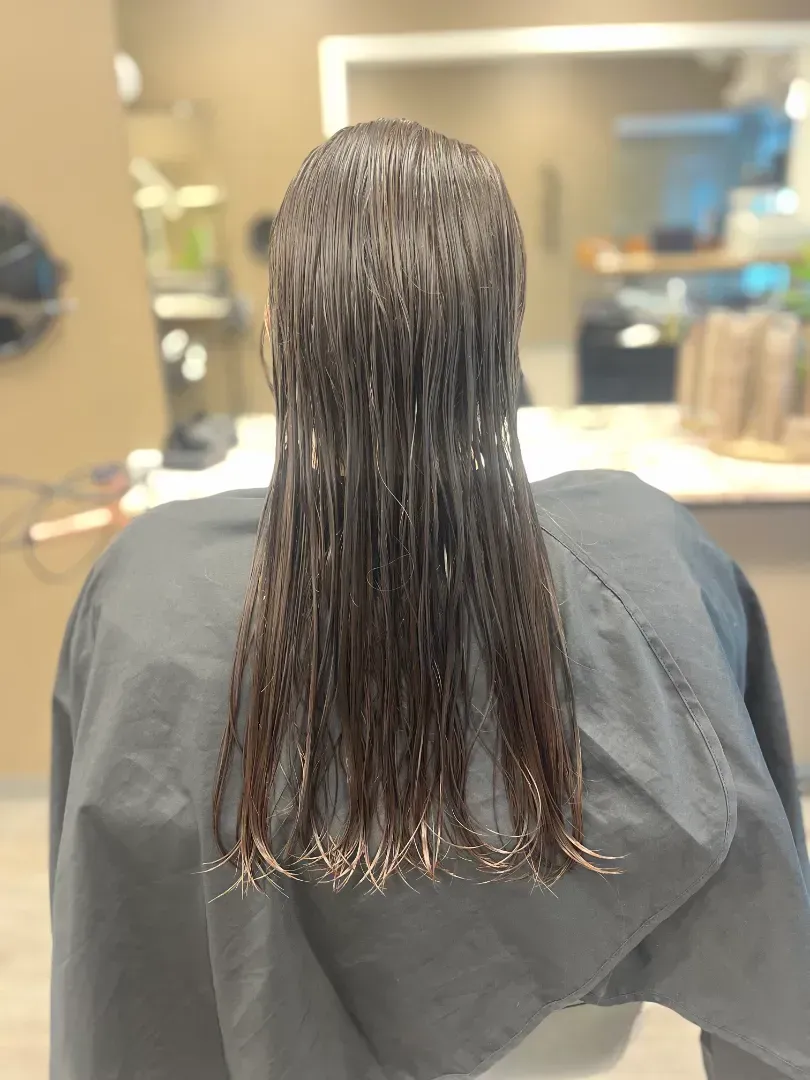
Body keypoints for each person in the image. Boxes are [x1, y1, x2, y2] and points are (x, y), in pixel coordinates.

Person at [51, 119, 809, 1080]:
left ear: (289, 324)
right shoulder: (649, 547)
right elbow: (757, 867)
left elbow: (115, 931)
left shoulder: (146, 585)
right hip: (560, 1041)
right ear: (503, 323)